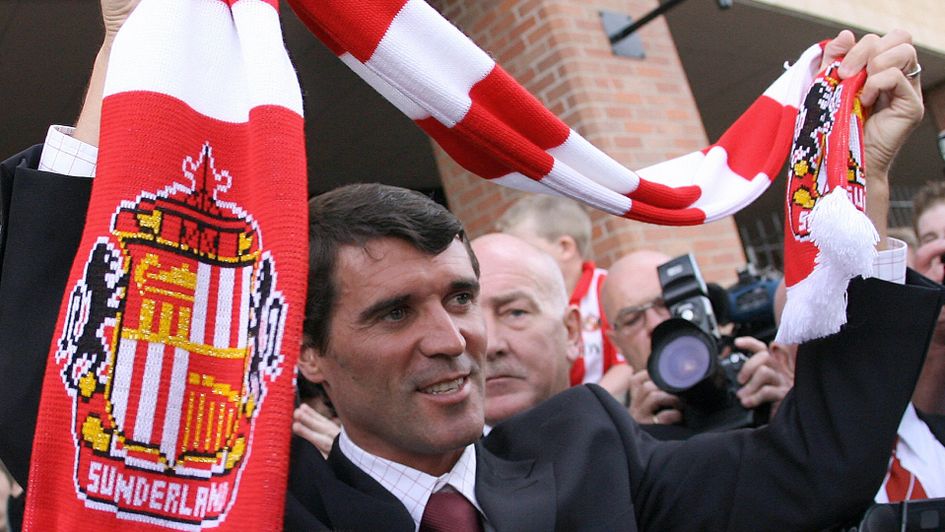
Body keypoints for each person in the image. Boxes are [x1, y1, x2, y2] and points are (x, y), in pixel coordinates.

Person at [0, 4, 939, 530]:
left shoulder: (591, 451)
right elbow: (57, 409)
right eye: (392, 312)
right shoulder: (264, 503)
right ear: (307, 355)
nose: (453, 339)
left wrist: (856, 180)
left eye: (460, 297)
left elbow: (813, 470)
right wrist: (132, 41)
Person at [600, 250, 792, 429]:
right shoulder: (618, 426)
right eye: (632, 319)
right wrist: (639, 439)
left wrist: (789, 406)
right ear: (617, 344)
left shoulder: (755, 370)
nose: (655, 323)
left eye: (665, 304)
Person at [495, 195, 633, 398]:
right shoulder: (523, 301)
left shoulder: (607, 290)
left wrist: (586, 405)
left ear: (564, 247)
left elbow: (627, 364)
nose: (516, 262)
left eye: (526, 251)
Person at [471, 233, 582, 427]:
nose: (490, 346)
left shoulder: (629, 444)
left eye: (515, 313)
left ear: (571, 331)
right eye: (470, 321)